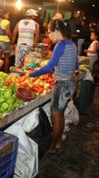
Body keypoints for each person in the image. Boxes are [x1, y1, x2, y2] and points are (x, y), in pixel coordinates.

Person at [25, 19, 79, 154]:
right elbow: (76, 66)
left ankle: (52, 147)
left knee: (56, 118)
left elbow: (49, 67)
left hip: (62, 85)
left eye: (49, 32)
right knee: (60, 116)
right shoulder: (71, 43)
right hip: (71, 83)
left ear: (56, 31)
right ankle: (59, 141)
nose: (48, 36)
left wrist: (31, 74)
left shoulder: (60, 45)